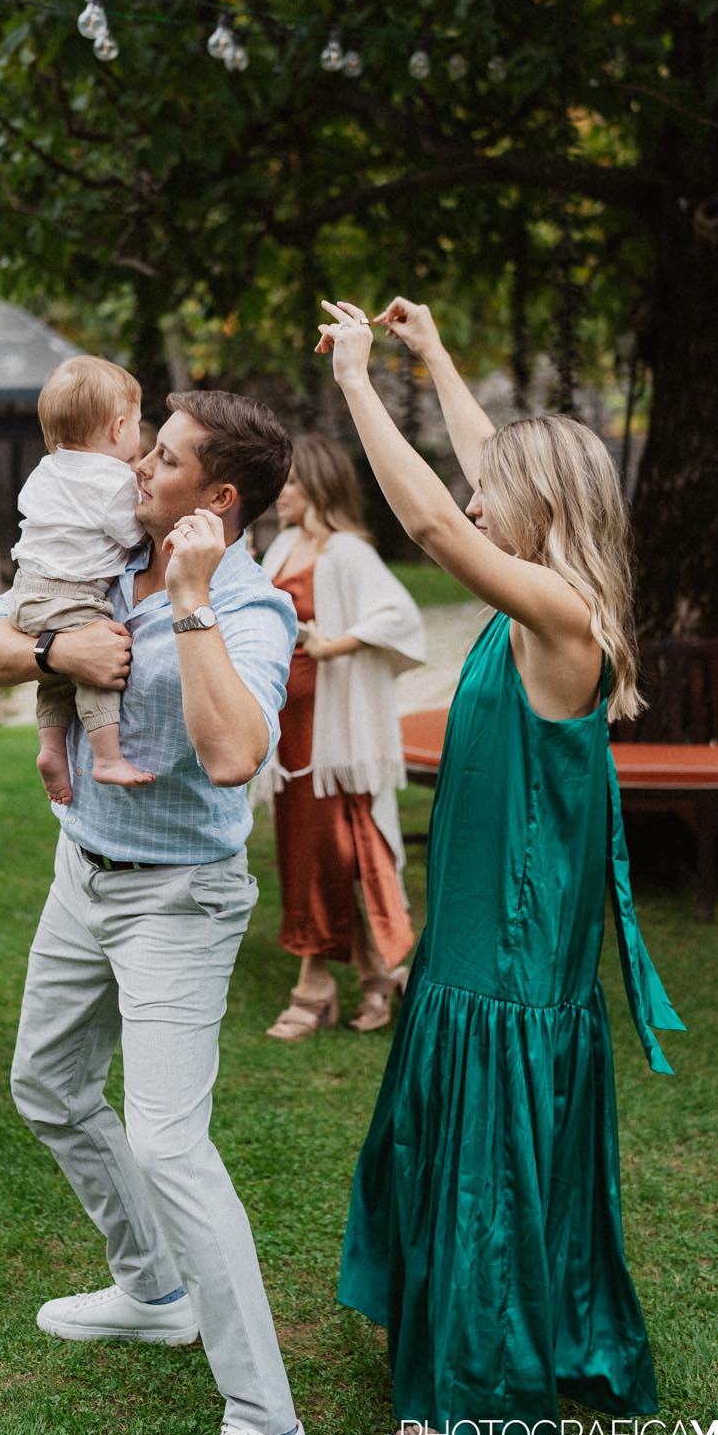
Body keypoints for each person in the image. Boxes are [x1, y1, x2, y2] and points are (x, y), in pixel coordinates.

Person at [315, 297, 684, 1435]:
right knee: (476, 1164)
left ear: (542, 513)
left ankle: (482, 1411)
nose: (479, 500)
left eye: (500, 496)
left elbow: (433, 514)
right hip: (483, 949)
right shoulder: (537, 597)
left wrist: (365, 387)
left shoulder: (560, 616)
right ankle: (532, 1339)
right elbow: (483, 467)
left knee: (485, 1180)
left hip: (510, 963)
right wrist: (436, 355)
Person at [0, 392, 319, 1435]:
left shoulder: (253, 608)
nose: (135, 464)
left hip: (178, 899)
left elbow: (228, 756)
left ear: (216, 498)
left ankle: (269, 1427)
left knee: (171, 1141)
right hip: (85, 868)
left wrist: (193, 601)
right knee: (46, 1083)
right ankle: (152, 1285)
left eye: (160, 458)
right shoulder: (102, 544)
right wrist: (51, 640)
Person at [258, 434, 425, 1038]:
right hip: (290, 734)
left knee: (337, 849)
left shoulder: (348, 552)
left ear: (321, 485)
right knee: (305, 849)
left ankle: (315, 982)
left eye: (292, 482)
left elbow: (398, 616)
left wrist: (336, 642)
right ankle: (377, 973)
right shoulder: (278, 548)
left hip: (334, 738)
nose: (281, 493)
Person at [5, 354, 154, 803]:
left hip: (26, 589)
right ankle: (108, 757)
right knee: (93, 662)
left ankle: (51, 748)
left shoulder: (46, 469)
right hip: (74, 594)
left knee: (55, 675)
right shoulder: (113, 482)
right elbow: (133, 533)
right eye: (138, 427)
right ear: (118, 428)